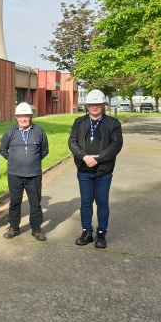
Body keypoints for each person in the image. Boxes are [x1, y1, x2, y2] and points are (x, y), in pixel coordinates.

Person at [68, 89, 123, 249]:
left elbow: (116, 145)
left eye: (98, 104)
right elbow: (72, 142)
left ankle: (101, 234)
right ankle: (86, 232)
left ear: (103, 105)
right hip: (84, 169)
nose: (94, 107)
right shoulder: (79, 122)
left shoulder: (113, 123)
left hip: (103, 170)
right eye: (91, 104)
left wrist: (98, 159)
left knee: (102, 202)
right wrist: (84, 157)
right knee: (85, 202)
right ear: (87, 105)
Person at [0, 102, 49, 241]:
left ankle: (36, 229)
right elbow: (3, 149)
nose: (23, 119)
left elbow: (45, 150)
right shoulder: (10, 131)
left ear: (31, 116)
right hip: (14, 175)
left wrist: (33, 160)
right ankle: (14, 227)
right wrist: (14, 159)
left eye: (26, 116)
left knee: (35, 203)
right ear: (16, 117)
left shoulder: (39, 131)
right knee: (15, 202)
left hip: (33, 175)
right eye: (20, 116)